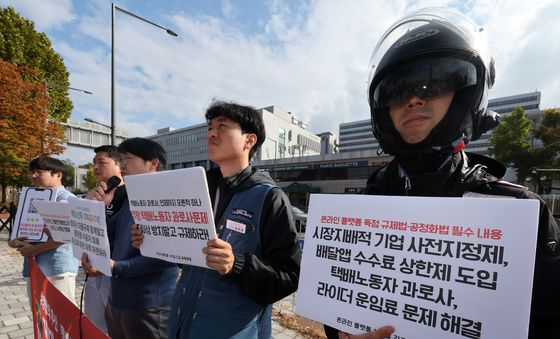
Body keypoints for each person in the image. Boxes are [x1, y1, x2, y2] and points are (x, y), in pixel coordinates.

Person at [326, 7, 560, 339]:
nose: (413, 100)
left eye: (433, 84)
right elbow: (337, 305)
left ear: (467, 93)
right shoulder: (362, 206)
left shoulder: (518, 211)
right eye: (396, 92)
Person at [132, 101, 301, 338]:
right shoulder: (196, 190)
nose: (212, 133)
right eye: (210, 128)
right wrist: (152, 236)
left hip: (232, 330)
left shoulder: (269, 198)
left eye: (222, 126)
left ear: (249, 140)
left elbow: (289, 276)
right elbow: (186, 256)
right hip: (181, 324)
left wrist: (236, 265)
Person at [83, 138, 179, 339]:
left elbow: (166, 256)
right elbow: (111, 236)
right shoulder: (131, 198)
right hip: (117, 301)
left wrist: (115, 268)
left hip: (149, 306)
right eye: (120, 159)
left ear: (153, 163)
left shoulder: (167, 200)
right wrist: (99, 208)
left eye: (128, 158)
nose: (122, 164)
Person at [8, 156, 79, 305]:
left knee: (63, 318)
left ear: (58, 175)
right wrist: (14, 242)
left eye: (39, 172)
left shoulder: (67, 199)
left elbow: (66, 237)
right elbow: (16, 232)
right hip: (33, 268)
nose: (33, 176)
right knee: (40, 318)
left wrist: (34, 250)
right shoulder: (30, 198)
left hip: (57, 268)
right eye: (32, 172)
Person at [84, 145, 125, 333]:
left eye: (102, 162)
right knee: (95, 324)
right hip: (92, 269)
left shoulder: (130, 195)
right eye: (94, 163)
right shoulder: (94, 194)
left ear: (120, 165)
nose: (96, 167)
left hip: (117, 272)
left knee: (116, 328)